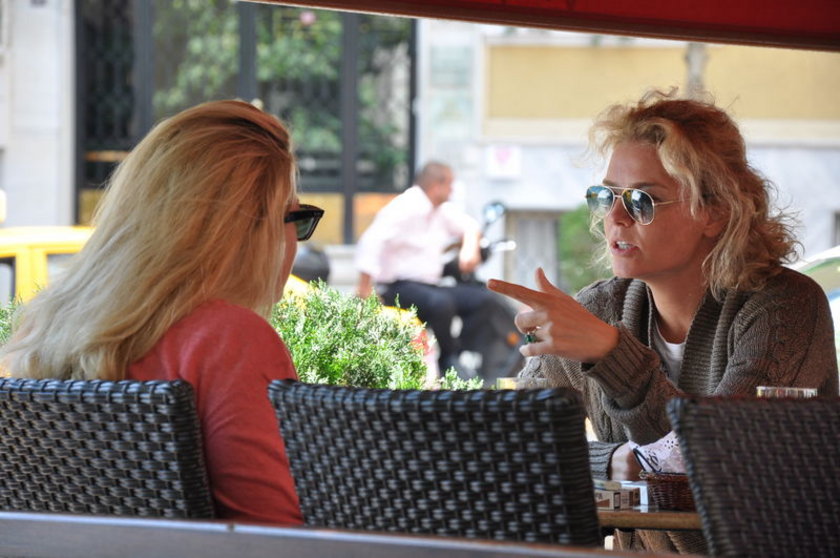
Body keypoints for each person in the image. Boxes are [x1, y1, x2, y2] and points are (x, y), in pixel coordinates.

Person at [488, 88, 839, 554]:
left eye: (642, 200)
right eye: (606, 195)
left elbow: (720, 473)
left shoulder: (784, 308)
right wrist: (615, 462)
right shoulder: (600, 309)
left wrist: (613, 357)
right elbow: (509, 449)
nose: (615, 217)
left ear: (714, 211)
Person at [0, 100, 325, 525]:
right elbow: (272, 534)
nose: (295, 241)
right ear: (244, 228)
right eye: (296, 218)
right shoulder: (227, 339)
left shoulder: (46, 326)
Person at [355, 161, 493, 375]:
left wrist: (469, 247)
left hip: (430, 286)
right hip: (398, 287)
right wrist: (364, 287)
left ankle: (457, 353)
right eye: (450, 185)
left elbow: (470, 226)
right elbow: (371, 240)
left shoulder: (441, 210)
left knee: (482, 298)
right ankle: (447, 361)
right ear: (437, 186)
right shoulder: (404, 207)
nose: (452, 190)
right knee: (441, 304)